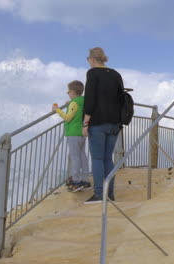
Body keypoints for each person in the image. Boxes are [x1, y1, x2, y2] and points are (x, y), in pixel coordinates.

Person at [83, 47, 124, 204]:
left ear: (92, 59)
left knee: (98, 158)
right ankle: (110, 193)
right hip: (114, 123)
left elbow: (90, 99)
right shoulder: (116, 75)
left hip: (98, 122)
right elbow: (122, 98)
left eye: (88, 60)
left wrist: (86, 122)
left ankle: (99, 194)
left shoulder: (92, 74)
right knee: (108, 158)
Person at [52, 80, 91, 192]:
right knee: (82, 155)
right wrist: (70, 102)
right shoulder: (83, 101)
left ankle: (76, 181)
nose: (68, 93)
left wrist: (57, 110)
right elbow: (78, 110)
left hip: (73, 133)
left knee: (75, 157)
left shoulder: (74, 103)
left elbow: (68, 117)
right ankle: (85, 180)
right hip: (82, 133)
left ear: (73, 92)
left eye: (68, 91)